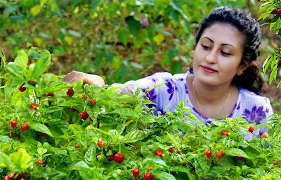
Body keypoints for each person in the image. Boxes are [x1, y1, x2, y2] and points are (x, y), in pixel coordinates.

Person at [63, 6, 273, 137]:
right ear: (195, 47)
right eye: (206, 46)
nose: (210, 58)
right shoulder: (163, 90)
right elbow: (115, 94)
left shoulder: (257, 111)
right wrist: (94, 81)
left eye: (225, 53)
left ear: (242, 66)